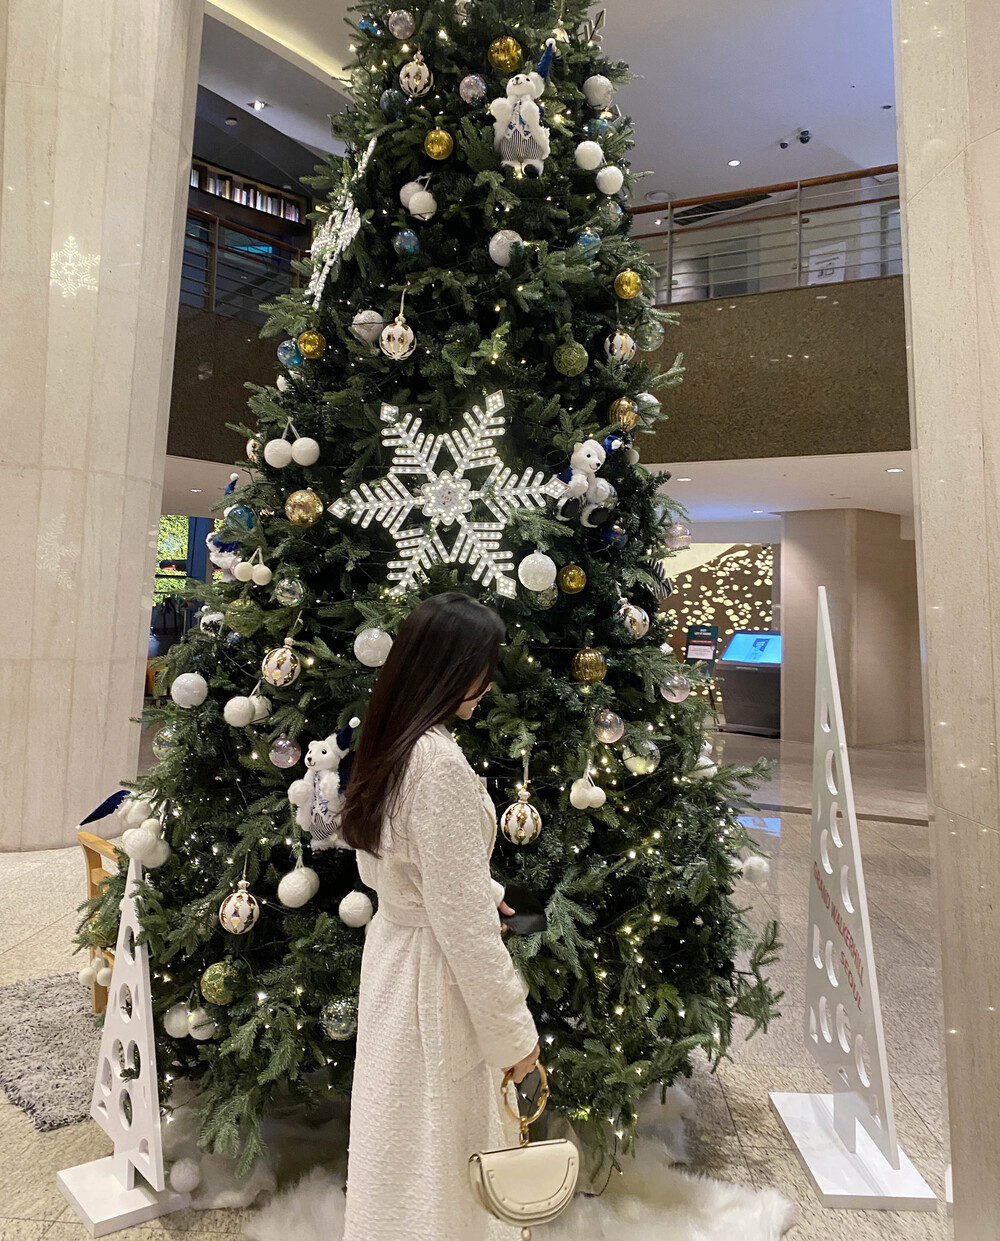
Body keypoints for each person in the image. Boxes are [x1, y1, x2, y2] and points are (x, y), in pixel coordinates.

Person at [339, 592, 541, 1241]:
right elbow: (469, 935)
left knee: (397, 1146)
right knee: (439, 1154)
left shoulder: (393, 741)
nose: (486, 684)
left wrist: (477, 887)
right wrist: (515, 1038)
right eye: (480, 667)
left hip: (395, 962)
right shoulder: (439, 764)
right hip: (435, 980)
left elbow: (395, 865)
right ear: (449, 668)